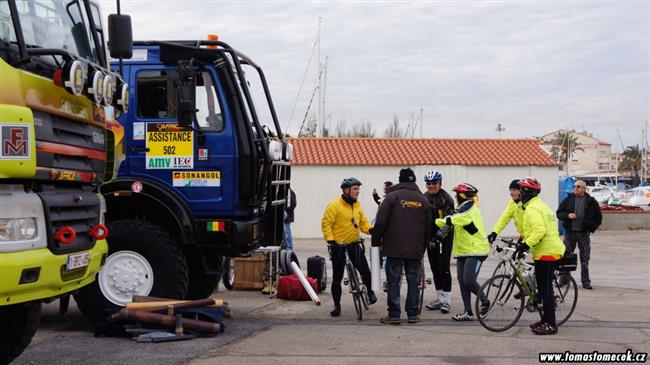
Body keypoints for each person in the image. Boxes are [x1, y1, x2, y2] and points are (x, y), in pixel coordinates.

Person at [372, 168, 431, 324]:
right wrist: (422, 247)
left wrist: (375, 242)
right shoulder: (423, 200)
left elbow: (381, 221)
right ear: (414, 181)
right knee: (413, 282)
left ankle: (394, 315)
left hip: (394, 248)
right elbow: (429, 227)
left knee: (393, 281)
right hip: (415, 249)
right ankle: (412, 314)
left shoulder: (391, 197)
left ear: (400, 180)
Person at [322, 177, 377, 317]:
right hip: (338, 247)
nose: (358, 191)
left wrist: (371, 230)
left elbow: (363, 223)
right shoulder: (334, 205)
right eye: (355, 189)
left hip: (354, 245)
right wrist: (331, 240)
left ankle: (370, 292)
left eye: (358, 189)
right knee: (337, 278)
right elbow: (326, 223)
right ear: (346, 190)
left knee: (366, 272)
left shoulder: (357, 205)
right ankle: (337, 306)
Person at [517, 177, 566, 335]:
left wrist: (526, 245)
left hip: (546, 252)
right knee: (544, 289)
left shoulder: (532, 209)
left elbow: (539, 231)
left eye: (520, 190)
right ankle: (545, 320)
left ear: (526, 192)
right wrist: (522, 239)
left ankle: (550, 324)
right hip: (549, 250)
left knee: (546, 290)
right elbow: (536, 229)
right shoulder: (541, 205)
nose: (518, 193)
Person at [435, 183, 490, 322]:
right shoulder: (462, 208)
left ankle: (484, 301)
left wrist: (437, 221)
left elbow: (454, 219)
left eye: (457, 194)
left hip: (476, 250)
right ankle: (468, 312)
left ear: (462, 195)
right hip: (463, 251)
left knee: (469, 281)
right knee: (462, 281)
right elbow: (454, 219)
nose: (455, 196)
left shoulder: (469, 208)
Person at [556, 179, 602, 290]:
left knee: (584, 259)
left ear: (584, 189)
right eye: (574, 186)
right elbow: (559, 213)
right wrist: (568, 216)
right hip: (570, 233)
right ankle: (564, 280)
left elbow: (598, 218)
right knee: (566, 257)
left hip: (583, 234)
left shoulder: (591, 202)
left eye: (578, 187)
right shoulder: (569, 199)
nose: (575, 188)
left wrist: (591, 228)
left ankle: (586, 281)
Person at [422, 171, 455, 313]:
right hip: (430, 238)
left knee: (444, 268)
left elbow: (449, 223)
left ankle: (446, 301)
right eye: (429, 183)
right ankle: (439, 298)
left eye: (434, 183)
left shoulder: (446, 199)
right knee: (435, 268)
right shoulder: (424, 197)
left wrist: (439, 237)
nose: (431, 186)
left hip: (444, 238)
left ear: (440, 183)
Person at [487, 179, 525, 244]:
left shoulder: (527, 204)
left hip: (533, 238)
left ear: (520, 191)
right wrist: (495, 232)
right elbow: (504, 218)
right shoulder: (512, 203)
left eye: (514, 190)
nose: (511, 193)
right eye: (510, 190)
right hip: (524, 236)